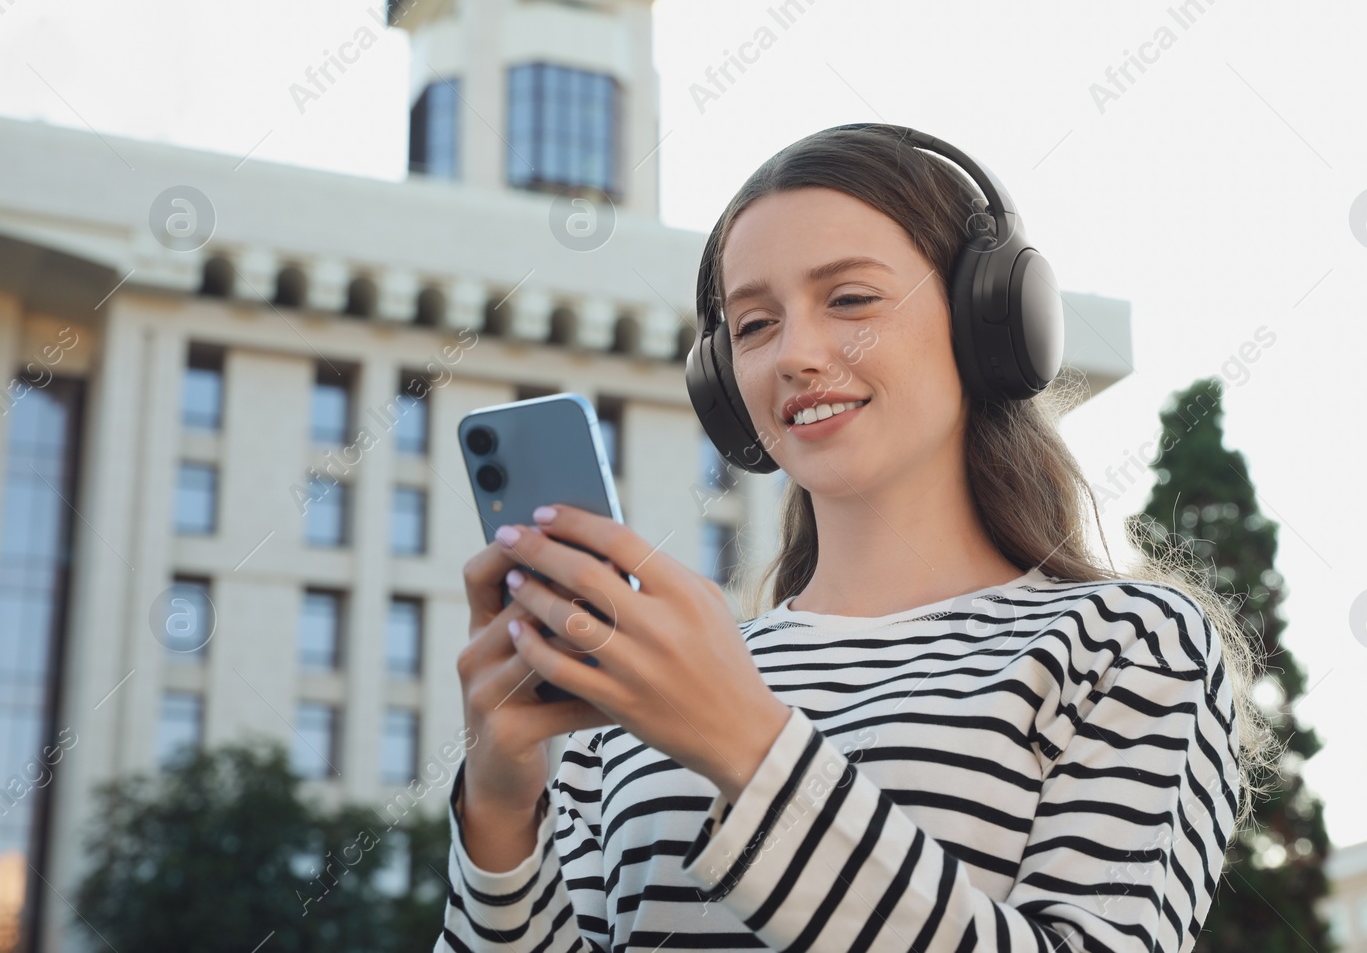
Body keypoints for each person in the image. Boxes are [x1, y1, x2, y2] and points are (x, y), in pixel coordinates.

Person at [437, 124, 1275, 953]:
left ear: (987, 322)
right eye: (755, 324)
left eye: (850, 299)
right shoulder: (637, 688)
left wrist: (745, 744)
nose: (795, 355)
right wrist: (501, 817)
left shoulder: (1125, 645)